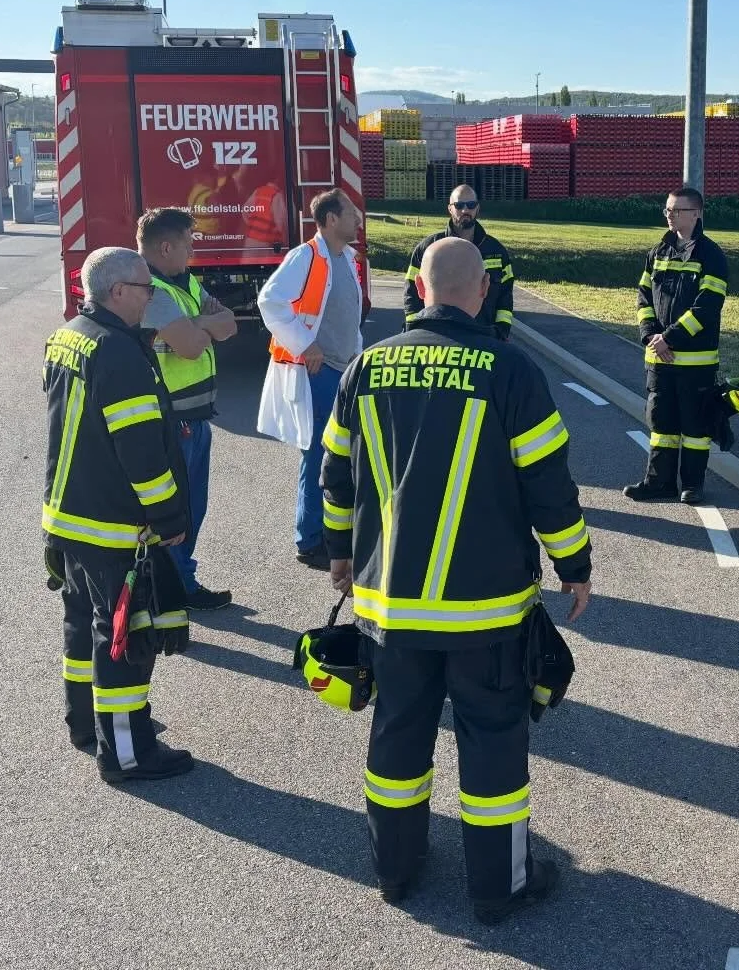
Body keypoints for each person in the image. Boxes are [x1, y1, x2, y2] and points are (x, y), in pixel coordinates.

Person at [321, 237, 592, 924]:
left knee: (397, 735)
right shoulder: (510, 369)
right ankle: (498, 888)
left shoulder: (366, 366)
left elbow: (336, 477)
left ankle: (395, 869)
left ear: (418, 287)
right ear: (482, 292)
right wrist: (575, 565)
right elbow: (549, 485)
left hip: (391, 605)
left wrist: (340, 555)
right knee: (493, 744)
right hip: (485, 611)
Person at [43, 246, 196, 783]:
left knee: (81, 625)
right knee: (123, 640)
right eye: (145, 289)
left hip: (68, 516)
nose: (151, 297)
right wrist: (170, 517)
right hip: (113, 525)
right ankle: (128, 753)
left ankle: (87, 724)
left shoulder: (69, 335)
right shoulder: (120, 354)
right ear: (117, 291)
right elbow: (141, 454)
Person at [257, 189, 365, 570]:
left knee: (339, 454)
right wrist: (306, 344)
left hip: (343, 370)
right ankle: (310, 539)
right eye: (351, 214)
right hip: (319, 373)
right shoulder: (306, 256)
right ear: (331, 219)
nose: (358, 220)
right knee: (319, 454)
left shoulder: (345, 257)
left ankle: (330, 532)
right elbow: (270, 301)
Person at [136, 207, 238, 609]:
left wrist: (196, 323)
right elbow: (192, 347)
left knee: (192, 508)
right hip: (173, 419)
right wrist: (202, 325)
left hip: (195, 417)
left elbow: (230, 324)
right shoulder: (152, 291)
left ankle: (178, 582)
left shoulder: (184, 282)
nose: (193, 251)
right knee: (178, 512)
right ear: (166, 247)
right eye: (188, 243)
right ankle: (178, 588)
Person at [624, 186, 729, 504]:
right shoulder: (658, 252)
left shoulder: (711, 255)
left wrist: (668, 338)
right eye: (667, 209)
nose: (669, 215)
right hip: (659, 359)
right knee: (661, 424)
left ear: (696, 213)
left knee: (695, 428)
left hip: (695, 362)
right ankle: (659, 483)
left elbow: (707, 307)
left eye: (677, 210)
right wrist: (650, 335)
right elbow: (644, 297)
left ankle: (693, 485)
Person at [402, 185, 514, 340]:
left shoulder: (496, 251)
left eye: (471, 205)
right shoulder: (428, 249)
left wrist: (501, 332)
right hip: (437, 337)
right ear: (450, 208)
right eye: (459, 205)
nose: (465, 210)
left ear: (477, 208)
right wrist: (414, 330)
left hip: (483, 338)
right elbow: (412, 293)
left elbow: (505, 297)